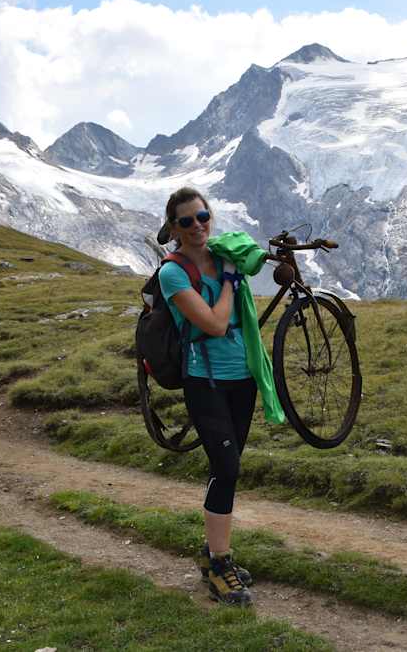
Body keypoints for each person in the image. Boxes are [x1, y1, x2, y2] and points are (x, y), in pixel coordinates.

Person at [157, 186, 256, 606]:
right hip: (204, 379)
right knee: (226, 465)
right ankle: (219, 565)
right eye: (186, 221)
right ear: (174, 229)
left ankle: (212, 553)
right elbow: (215, 324)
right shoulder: (172, 274)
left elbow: (256, 255)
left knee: (228, 466)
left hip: (243, 376)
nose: (197, 226)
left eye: (202, 216)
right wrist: (231, 283)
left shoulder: (223, 253)